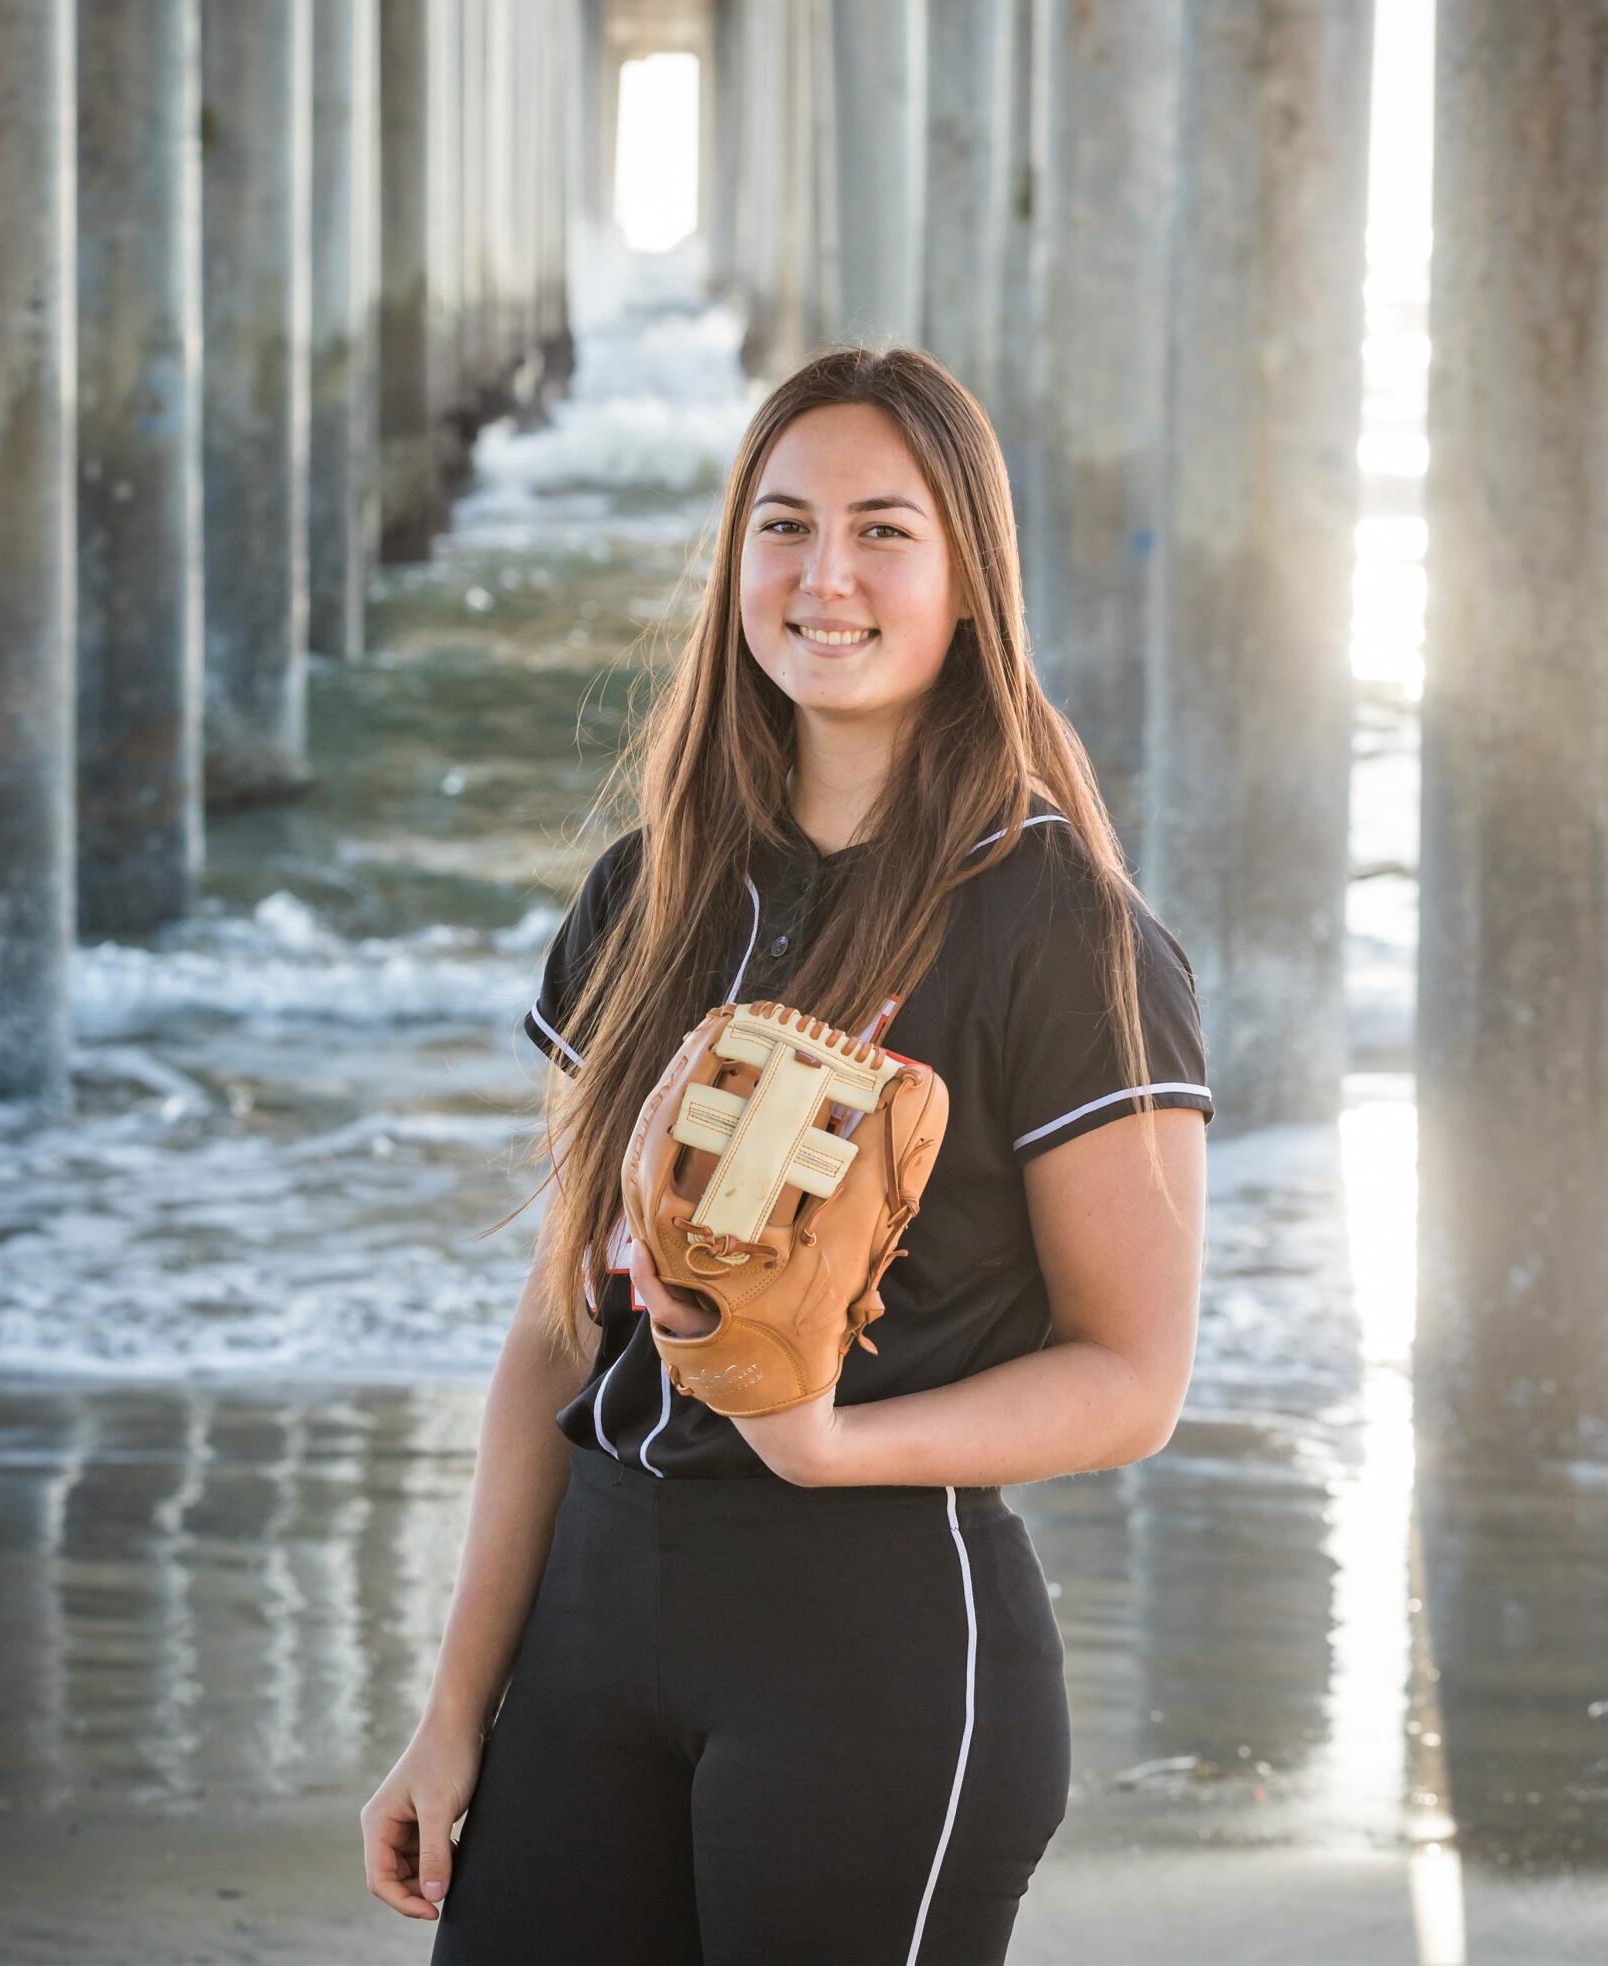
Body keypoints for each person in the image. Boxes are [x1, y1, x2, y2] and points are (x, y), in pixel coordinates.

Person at [361, 345, 1213, 1965]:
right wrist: (454, 1708)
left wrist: (822, 1443)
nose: (826, 575)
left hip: (879, 1645)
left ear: (971, 577)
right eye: (782, 524)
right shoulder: (649, 893)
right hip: (595, 1629)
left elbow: (1132, 1373)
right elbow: (560, 1325)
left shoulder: (1064, 929)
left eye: (885, 530)